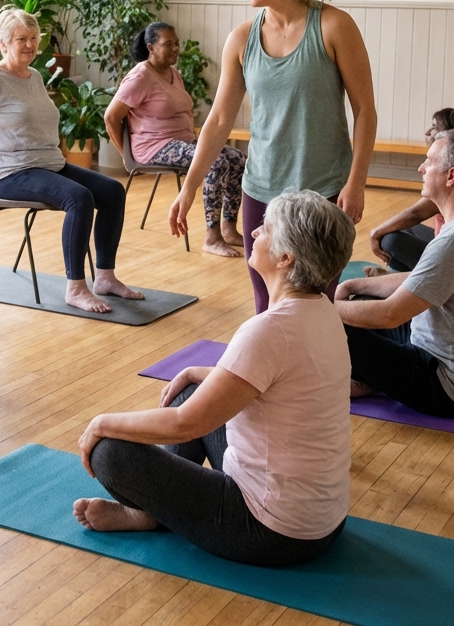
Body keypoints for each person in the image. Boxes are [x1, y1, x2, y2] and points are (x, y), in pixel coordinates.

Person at [74, 191, 355, 566]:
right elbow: (279, 383)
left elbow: (183, 425)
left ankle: (153, 514)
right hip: (321, 521)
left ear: (286, 258)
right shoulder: (323, 311)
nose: (254, 232)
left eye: (266, 229)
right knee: (192, 386)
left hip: (273, 532)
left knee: (109, 451)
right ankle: (154, 513)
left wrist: (100, 424)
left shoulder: (269, 331)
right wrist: (193, 371)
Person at [168, 0, 376, 312]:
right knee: (267, 307)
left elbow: (365, 111)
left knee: (317, 306)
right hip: (260, 190)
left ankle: (322, 375)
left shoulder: (334, 26)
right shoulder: (242, 39)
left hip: (323, 192)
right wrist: (190, 185)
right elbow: (218, 121)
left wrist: (357, 182)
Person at [0, 8, 141, 314]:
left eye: (34, 38)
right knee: (78, 198)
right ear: (3, 43)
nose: (29, 44)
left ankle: (104, 277)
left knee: (112, 191)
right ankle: (76, 288)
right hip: (11, 173)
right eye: (21, 39)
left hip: (49, 164)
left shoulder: (34, 76)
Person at [105, 21, 246, 258]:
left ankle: (228, 229)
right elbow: (111, 117)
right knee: (215, 162)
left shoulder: (173, 73)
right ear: (151, 47)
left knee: (238, 159)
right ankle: (212, 237)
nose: (175, 48)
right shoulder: (140, 77)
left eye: (177, 43)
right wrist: (126, 157)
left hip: (183, 143)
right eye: (168, 44)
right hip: (154, 147)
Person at [337, 131, 454, 417]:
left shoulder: (450, 243)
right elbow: (423, 281)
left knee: (336, 325)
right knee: (359, 301)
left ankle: (358, 380)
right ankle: (363, 379)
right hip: (425, 341)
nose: (421, 168)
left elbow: (391, 314)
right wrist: (353, 283)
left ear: (451, 176)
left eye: (428, 162)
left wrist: (323, 308)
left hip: (441, 382)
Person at [364, 108, 454, 275]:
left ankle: (399, 280)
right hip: (443, 243)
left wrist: (375, 233)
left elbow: (416, 213)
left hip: (447, 255)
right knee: (401, 228)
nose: (429, 131)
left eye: (435, 127)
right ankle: (399, 278)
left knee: (389, 239)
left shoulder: (447, 176)